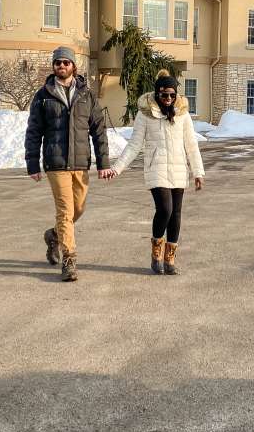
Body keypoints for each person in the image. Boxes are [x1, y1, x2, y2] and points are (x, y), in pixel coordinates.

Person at [25, 47, 113, 282]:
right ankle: (69, 260)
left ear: (74, 66)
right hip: (56, 163)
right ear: (54, 67)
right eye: (57, 63)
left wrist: (103, 162)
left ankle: (54, 236)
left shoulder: (87, 95)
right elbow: (34, 131)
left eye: (66, 62)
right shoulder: (43, 96)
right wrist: (32, 163)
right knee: (65, 211)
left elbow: (99, 131)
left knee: (78, 209)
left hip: (80, 163)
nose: (61, 66)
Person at [110, 69, 205, 275]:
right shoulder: (145, 114)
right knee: (165, 209)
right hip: (156, 167)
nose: (169, 99)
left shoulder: (182, 114)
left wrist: (198, 171)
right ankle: (156, 253)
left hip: (179, 168)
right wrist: (117, 168)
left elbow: (191, 145)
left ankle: (169, 259)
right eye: (164, 95)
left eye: (172, 95)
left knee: (176, 214)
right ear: (157, 94)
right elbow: (134, 145)